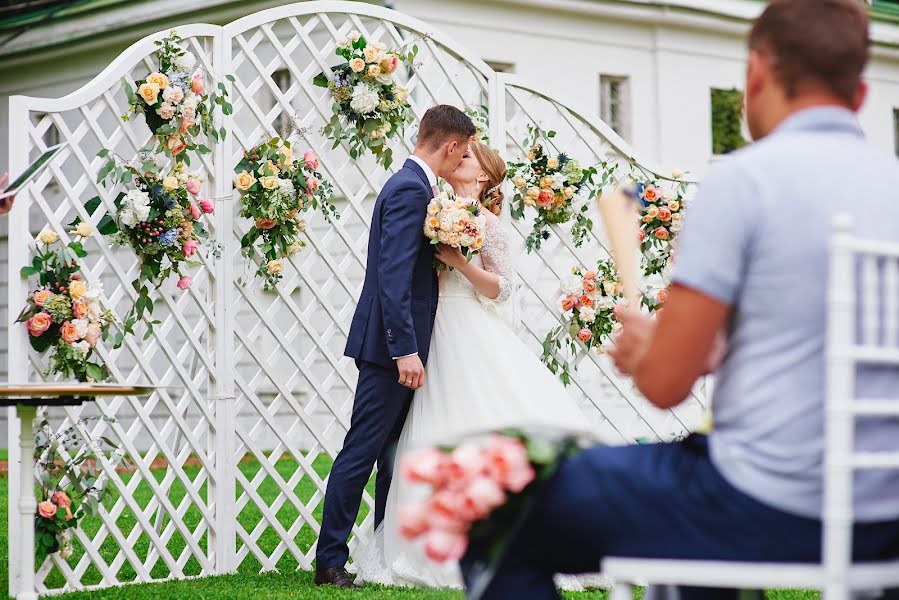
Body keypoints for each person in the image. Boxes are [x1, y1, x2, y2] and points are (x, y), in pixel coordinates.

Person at [460, 1, 899, 598]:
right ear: (861, 93)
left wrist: (650, 347)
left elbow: (666, 387)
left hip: (761, 507)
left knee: (495, 502)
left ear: (756, 73)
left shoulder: (743, 183)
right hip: (884, 522)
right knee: (685, 513)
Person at [353, 140, 598, 589]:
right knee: (424, 433)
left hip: (466, 328)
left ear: (483, 176)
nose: (457, 159)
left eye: (466, 158)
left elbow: (503, 290)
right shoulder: (431, 209)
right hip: (431, 333)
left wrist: (460, 263)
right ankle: (420, 538)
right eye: (457, 154)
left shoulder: (491, 227)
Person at [316, 105, 477, 588]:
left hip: (399, 346)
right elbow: (392, 276)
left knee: (391, 455)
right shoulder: (409, 189)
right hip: (391, 350)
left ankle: (381, 553)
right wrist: (404, 349)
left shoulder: (414, 185)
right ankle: (329, 561)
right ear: (450, 146)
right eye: (465, 152)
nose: (463, 160)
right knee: (362, 450)